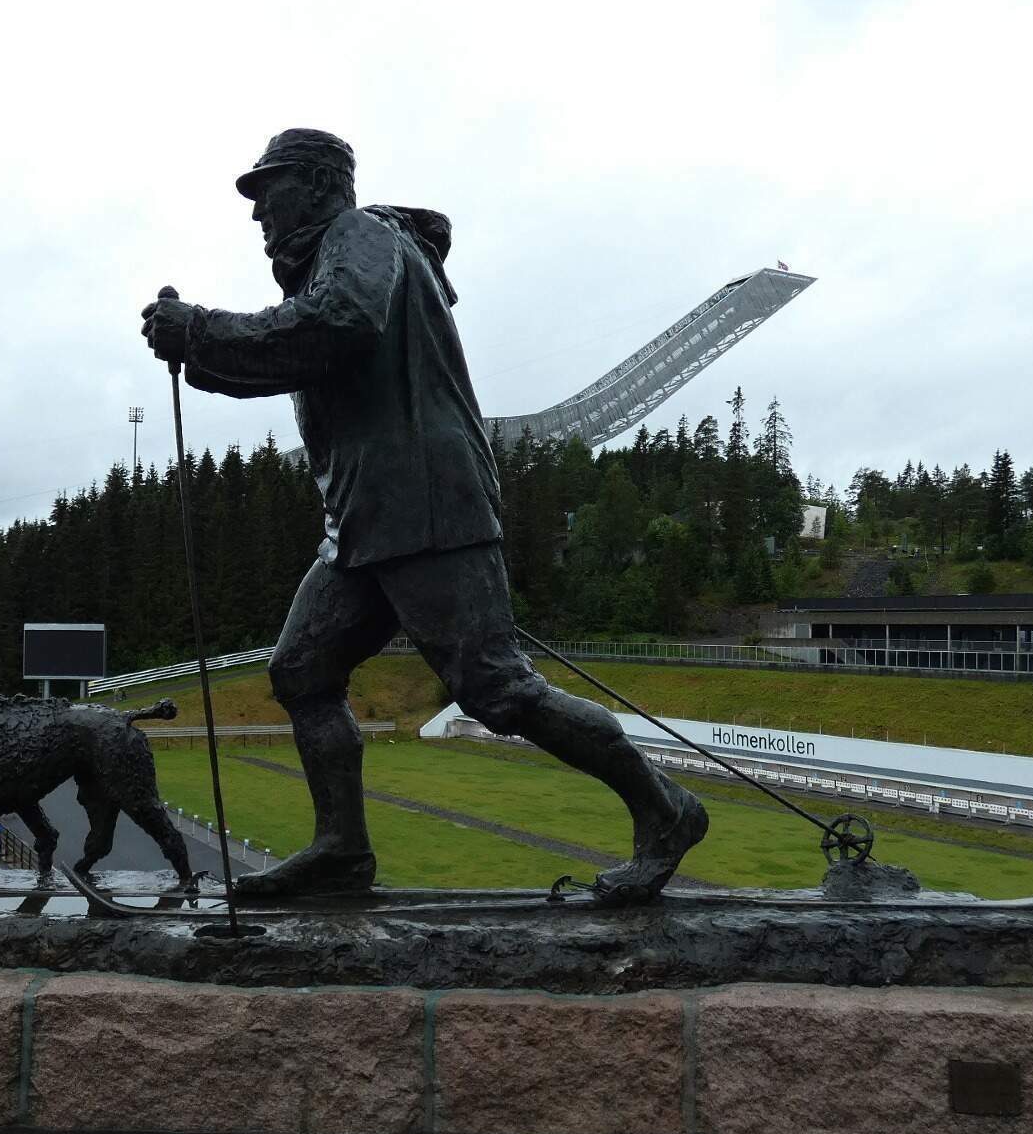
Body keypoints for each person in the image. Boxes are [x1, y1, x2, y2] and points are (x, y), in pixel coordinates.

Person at [140, 129, 707, 902]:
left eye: (266, 192)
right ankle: (341, 849)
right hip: (368, 514)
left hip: (424, 497)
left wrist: (201, 330)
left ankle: (668, 810)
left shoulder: (360, 237)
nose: (257, 214)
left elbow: (338, 326)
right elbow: (295, 353)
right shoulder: (337, 254)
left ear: (314, 183)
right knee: (302, 671)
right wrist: (195, 350)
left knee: (496, 689)